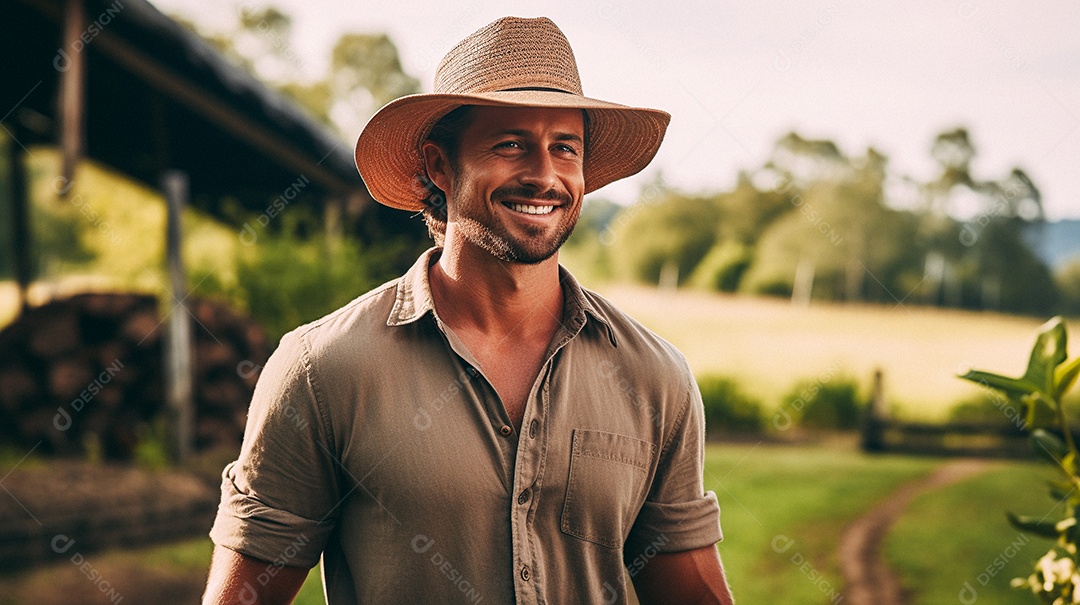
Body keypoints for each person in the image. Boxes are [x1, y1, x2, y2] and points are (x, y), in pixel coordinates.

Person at [203, 16, 734, 605]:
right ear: (439, 166)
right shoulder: (323, 370)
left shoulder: (653, 377)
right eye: (510, 144)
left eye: (566, 148)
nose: (543, 174)